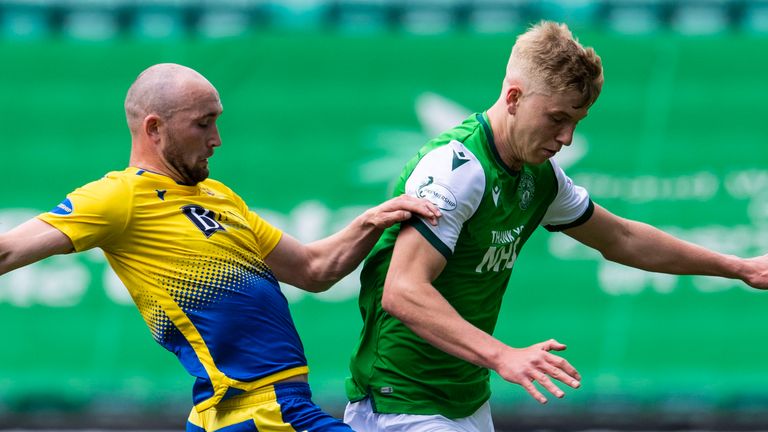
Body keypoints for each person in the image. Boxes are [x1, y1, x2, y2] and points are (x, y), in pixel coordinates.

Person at [343, 21, 768, 431]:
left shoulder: (537, 176)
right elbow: (403, 291)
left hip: (464, 400)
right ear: (513, 98)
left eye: (576, 123)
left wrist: (740, 267)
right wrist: (503, 356)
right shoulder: (457, 169)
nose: (566, 138)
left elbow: (621, 238)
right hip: (399, 404)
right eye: (556, 118)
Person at [0, 63, 441, 431]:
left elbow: (313, 268)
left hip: (267, 409)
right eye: (202, 123)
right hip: (254, 409)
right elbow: (7, 251)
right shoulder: (118, 197)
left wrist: (372, 219)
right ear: (154, 128)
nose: (217, 139)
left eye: (217, 120)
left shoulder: (218, 196)